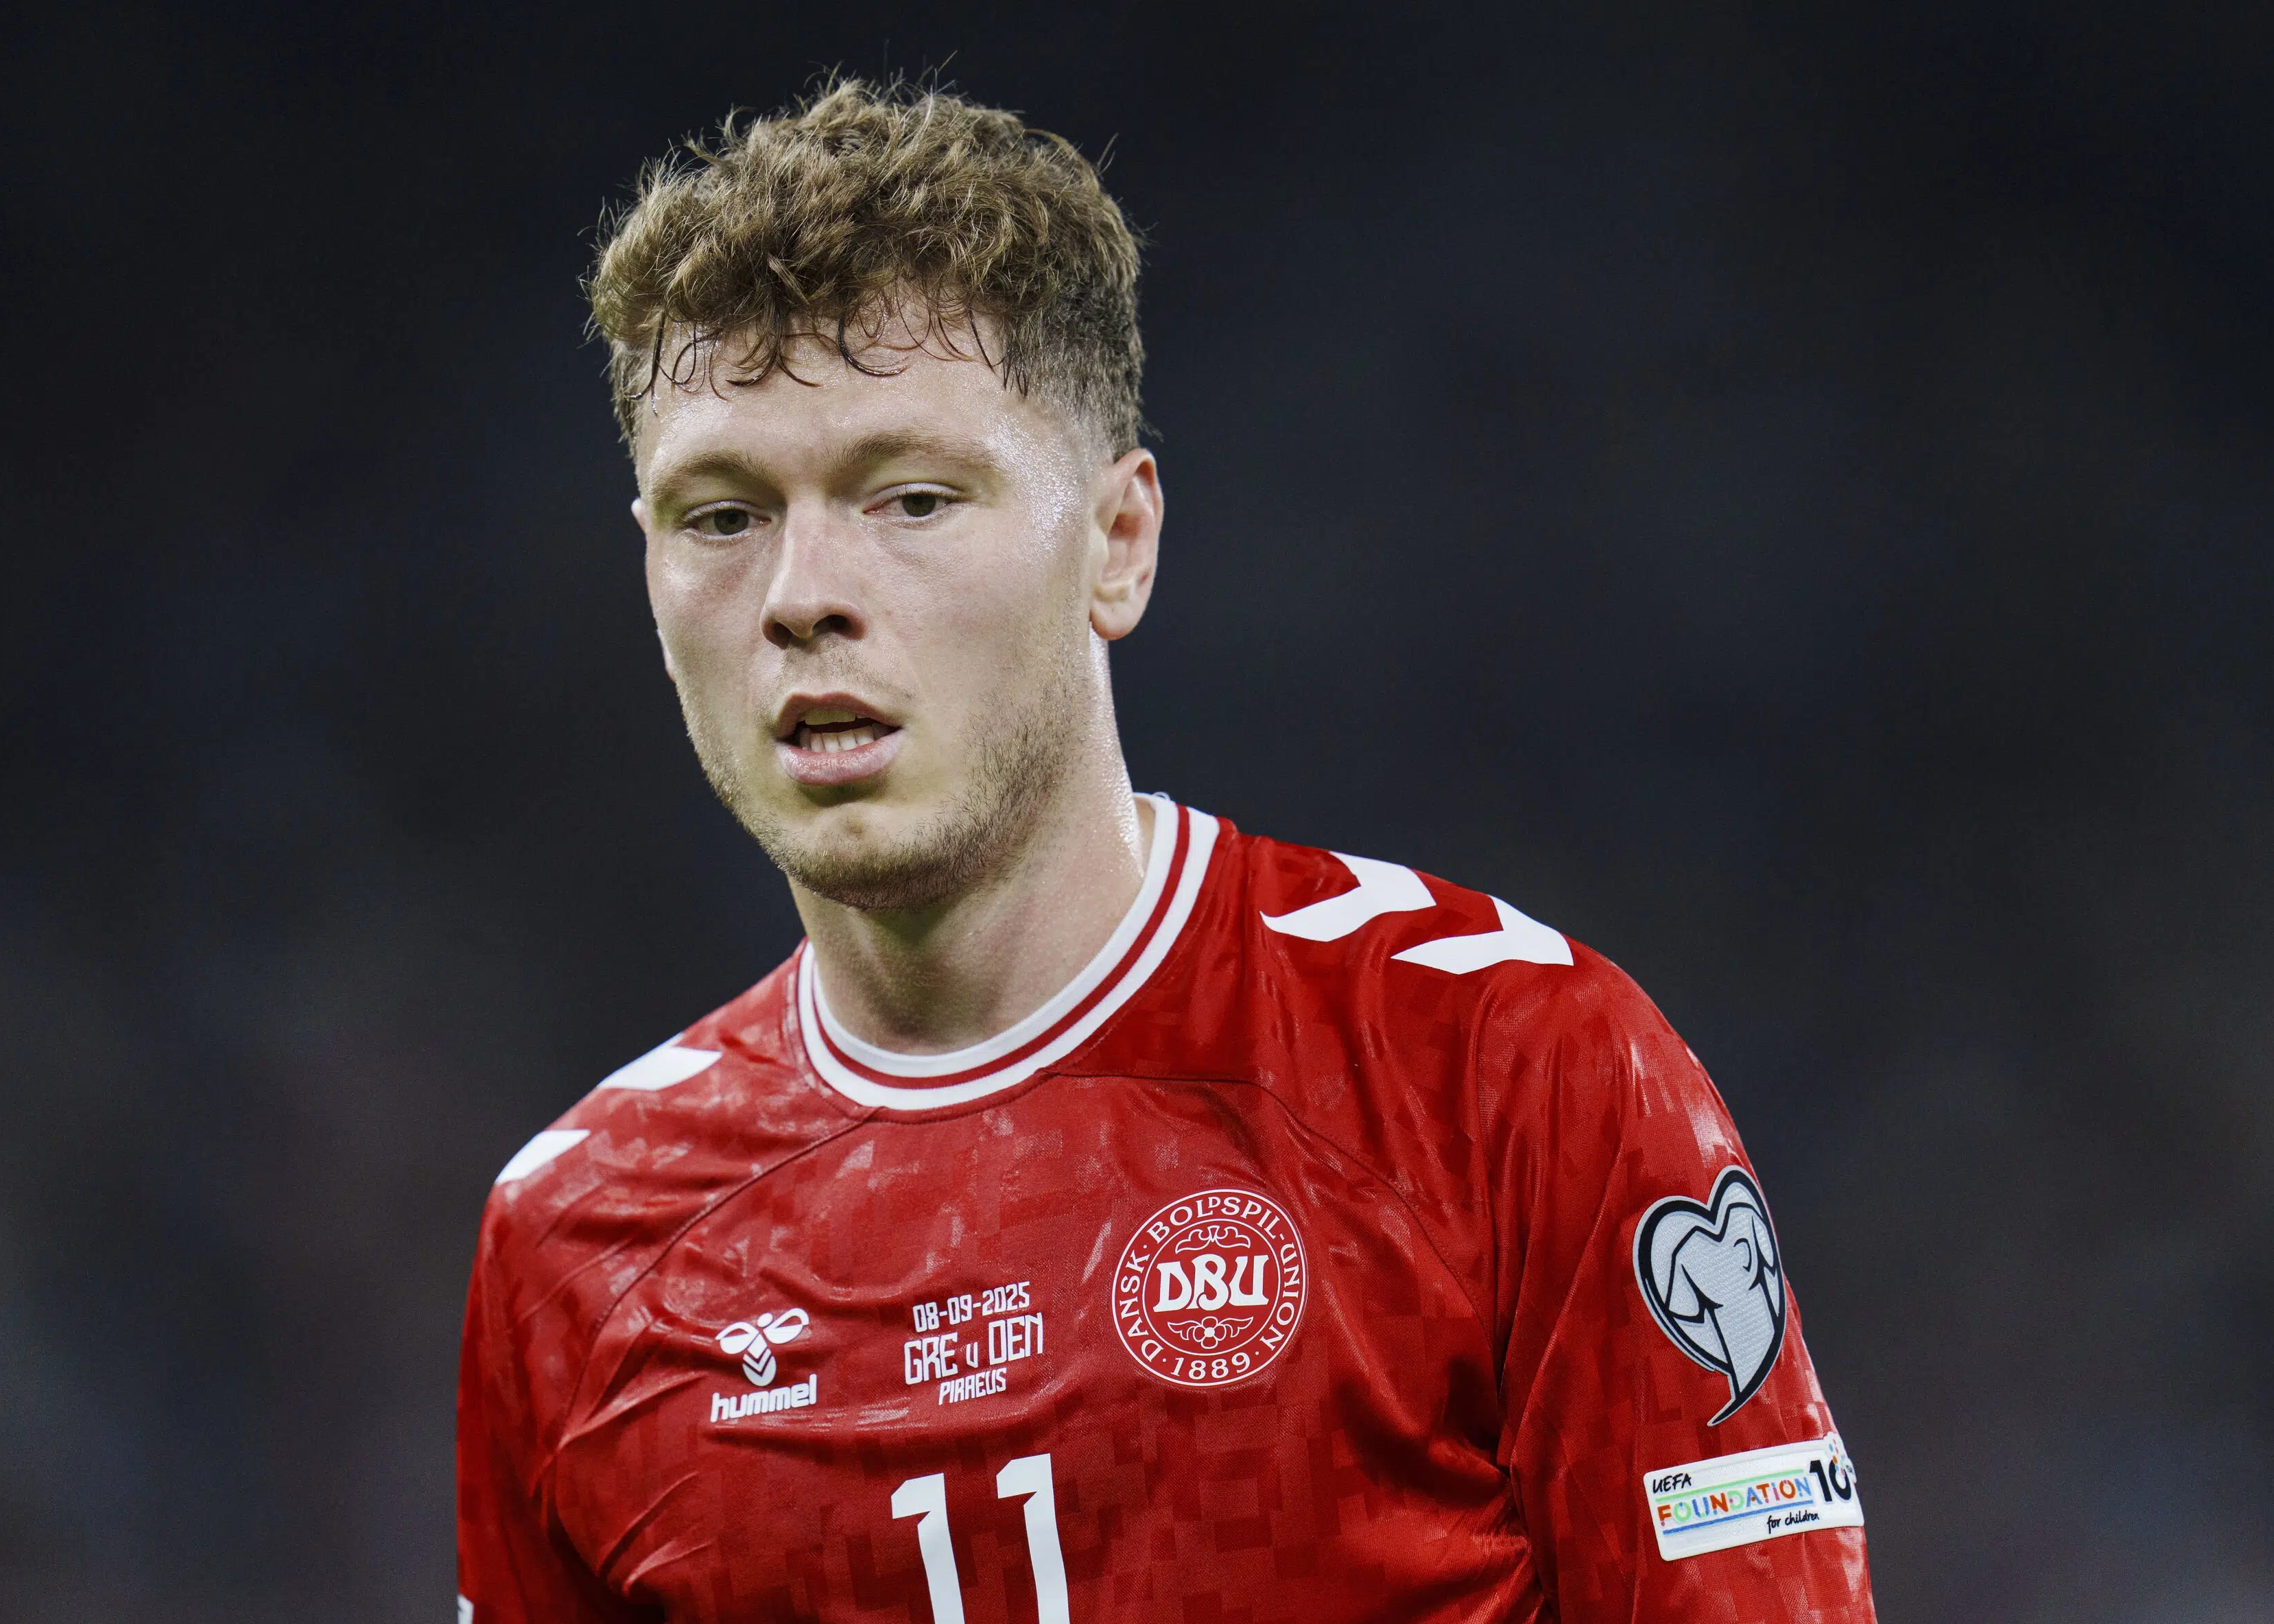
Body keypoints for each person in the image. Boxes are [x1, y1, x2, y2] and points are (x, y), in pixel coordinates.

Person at [455, 80, 1875, 1623]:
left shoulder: (1498, 1067)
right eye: (722, 516)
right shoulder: (578, 1244)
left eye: (912, 498)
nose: (803, 593)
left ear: (1116, 543)